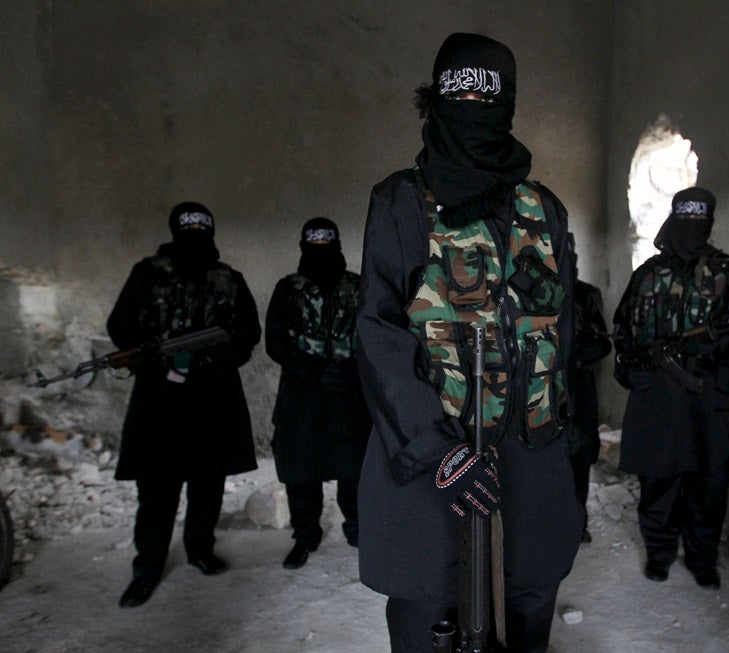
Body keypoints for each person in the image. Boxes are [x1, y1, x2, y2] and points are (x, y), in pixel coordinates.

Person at [356, 33, 582, 653]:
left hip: (532, 468)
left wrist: (568, 437)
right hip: (438, 473)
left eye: (491, 98)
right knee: (433, 618)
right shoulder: (401, 200)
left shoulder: (545, 208)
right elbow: (378, 333)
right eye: (462, 96)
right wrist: (437, 453)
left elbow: (563, 331)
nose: (476, 113)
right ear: (437, 102)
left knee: (526, 616)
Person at [107, 202, 261, 608]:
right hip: (160, 400)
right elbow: (120, 326)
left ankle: (200, 550)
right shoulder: (149, 273)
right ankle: (147, 568)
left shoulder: (228, 279)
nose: (194, 237)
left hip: (212, 398)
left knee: (207, 483)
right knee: (156, 487)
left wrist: (219, 357)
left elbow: (247, 331)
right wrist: (150, 357)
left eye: (201, 229)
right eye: (187, 229)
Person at [612, 187, 729, 590]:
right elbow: (622, 326)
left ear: (709, 224)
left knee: (708, 486)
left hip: (707, 394)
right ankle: (659, 553)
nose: (692, 229)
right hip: (655, 396)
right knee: (657, 482)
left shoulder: (728, 270)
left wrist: (698, 348)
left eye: (700, 221)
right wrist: (634, 365)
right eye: (685, 219)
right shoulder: (648, 273)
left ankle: (702, 559)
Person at [265, 217, 370, 568]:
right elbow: (275, 342)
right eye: (314, 248)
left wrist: (351, 372)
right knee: (301, 469)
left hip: (349, 394)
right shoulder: (288, 289)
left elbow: (377, 335)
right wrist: (311, 371)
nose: (321, 255)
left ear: (338, 247)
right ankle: (305, 535)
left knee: (354, 468)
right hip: (302, 395)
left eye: (327, 247)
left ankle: (358, 532)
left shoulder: (358, 287)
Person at [565, 233, 612, 543]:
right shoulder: (526, 290)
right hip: (539, 391)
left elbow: (602, 344)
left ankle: (576, 523)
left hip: (578, 388)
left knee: (579, 456)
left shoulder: (585, 295)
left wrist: (573, 354)